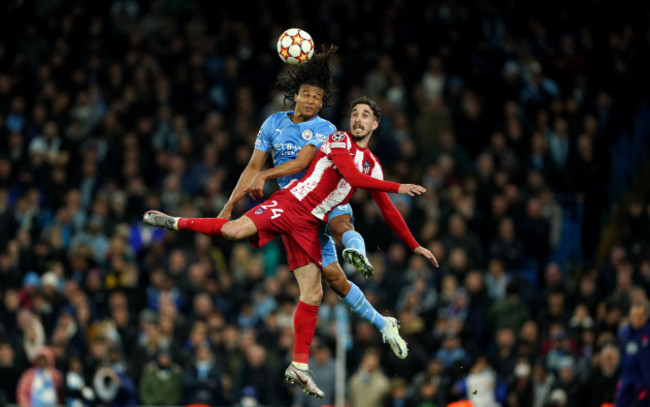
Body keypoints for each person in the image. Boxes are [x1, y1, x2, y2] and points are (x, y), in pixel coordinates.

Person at [144, 95, 438, 398]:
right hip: (293, 204)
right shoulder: (338, 139)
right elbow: (352, 178)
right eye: (354, 114)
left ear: (375, 124)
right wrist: (398, 185)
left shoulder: (373, 165)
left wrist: (414, 245)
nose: (358, 119)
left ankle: (302, 363)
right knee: (232, 232)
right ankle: (175, 221)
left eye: (365, 115)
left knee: (317, 290)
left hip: (313, 224)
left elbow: (387, 210)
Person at [213, 46, 409, 367]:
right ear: (296, 95)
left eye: (317, 98)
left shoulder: (325, 129)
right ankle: (384, 324)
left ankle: (356, 250)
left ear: (322, 103)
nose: (311, 101)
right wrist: (228, 206)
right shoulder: (273, 124)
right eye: (306, 94)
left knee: (341, 225)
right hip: (295, 211)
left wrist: (267, 174)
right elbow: (251, 168)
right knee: (333, 279)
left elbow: (304, 161)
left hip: (326, 199)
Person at [616, 300, 650, 407]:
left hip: (644, 377)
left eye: (640, 316)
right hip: (626, 375)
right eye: (634, 315)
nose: (637, 319)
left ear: (646, 316)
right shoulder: (623, 333)